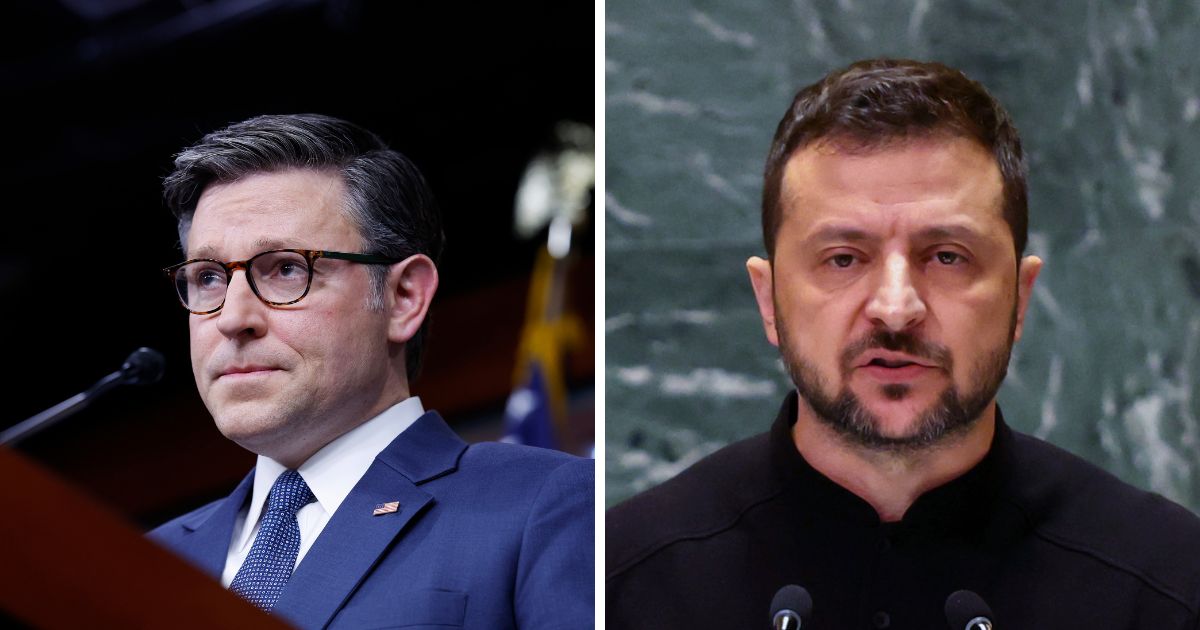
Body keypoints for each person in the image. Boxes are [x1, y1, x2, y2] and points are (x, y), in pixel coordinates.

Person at [606, 59, 1200, 628]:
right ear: (769, 300)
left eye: (947, 256)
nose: (896, 307)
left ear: (1021, 296)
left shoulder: (1169, 583)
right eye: (843, 258)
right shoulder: (620, 581)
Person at [147, 114, 593, 629]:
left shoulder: (542, 507)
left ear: (404, 297)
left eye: (287, 268)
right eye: (207, 278)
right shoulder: (142, 562)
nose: (231, 318)